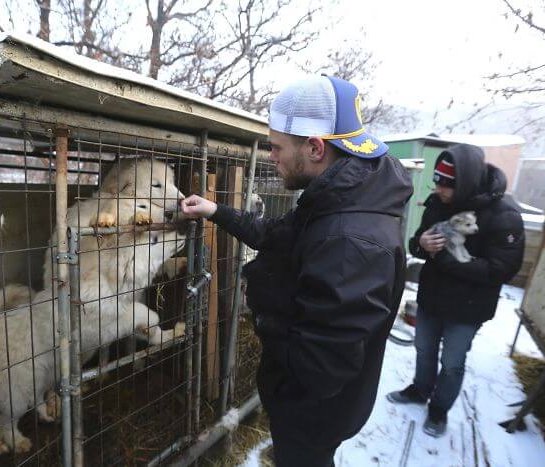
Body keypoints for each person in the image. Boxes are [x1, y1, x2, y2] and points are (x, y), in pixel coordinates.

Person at [181, 75, 413, 466]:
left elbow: (321, 368)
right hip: (309, 403)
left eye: (275, 147)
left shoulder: (350, 240)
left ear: (315, 147)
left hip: (314, 413)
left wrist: (264, 301)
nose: (271, 156)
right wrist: (215, 210)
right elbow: (276, 234)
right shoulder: (336, 200)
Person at [387, 144, 525, 437]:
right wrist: (420, 245)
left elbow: (503, 269)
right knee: (423, 349)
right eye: (437, 182)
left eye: (446, 185)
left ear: (465, 183)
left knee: (451, 362)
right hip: (432, 298)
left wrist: (447, 260)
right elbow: (416, 244)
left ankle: (438, 410)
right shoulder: (438, 203)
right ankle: (419, 389)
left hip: (468, 307)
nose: (438, 189)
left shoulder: (503, 214)